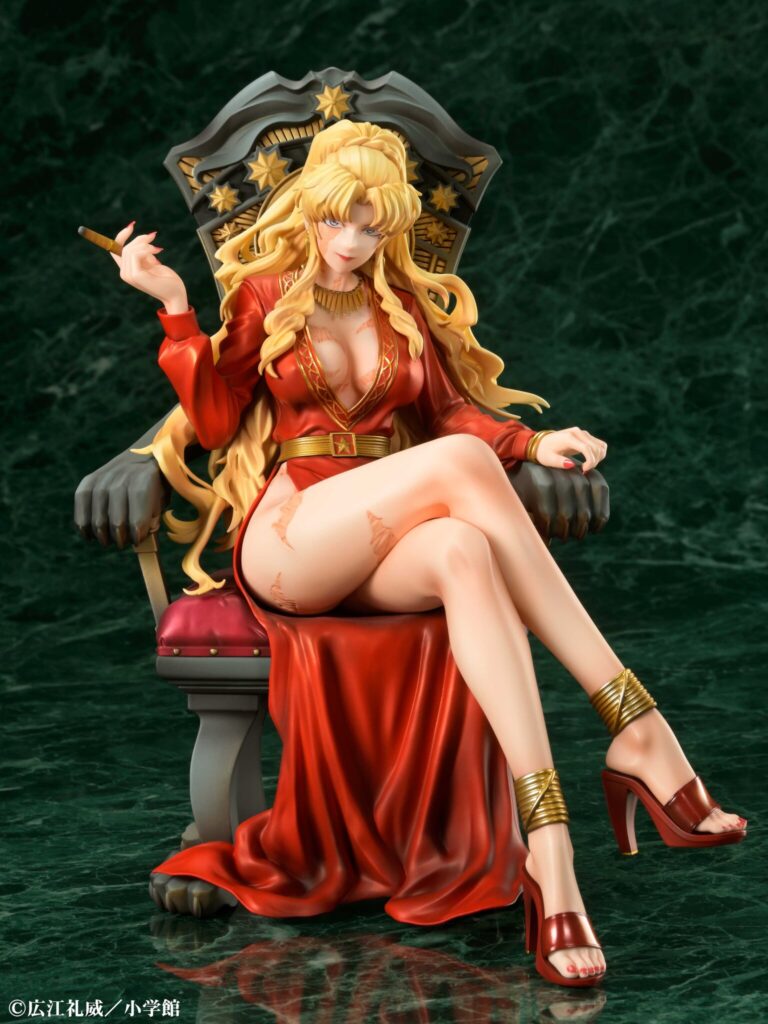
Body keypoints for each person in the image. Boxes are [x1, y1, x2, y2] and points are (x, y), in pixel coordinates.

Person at [112, 120, 746, 987]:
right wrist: (175, 307)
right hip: (294, 537)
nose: (351, 242)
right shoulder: (265, 295)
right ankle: (637, 726)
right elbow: (219, 424)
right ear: (310, 209)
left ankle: (550, 849)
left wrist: (535, 441)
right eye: (336, 219)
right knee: (459, 468)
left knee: (461, 549)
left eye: (371, 226)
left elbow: (450, 413)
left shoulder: (399, 306)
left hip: (386, 538)